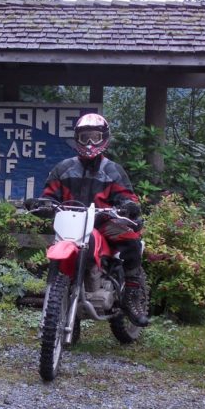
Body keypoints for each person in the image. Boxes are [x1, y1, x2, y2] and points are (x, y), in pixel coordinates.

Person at [39, 113, 150, 327]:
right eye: (84, 137)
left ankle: (131, 298)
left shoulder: (112, 170)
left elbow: (128, 197)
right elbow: (49, 195)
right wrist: (42, 204)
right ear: (77, 138)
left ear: (104, 139)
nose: (89, 142)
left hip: (104, 222)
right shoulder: (63, 168)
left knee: (131, 241)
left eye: (95, 137)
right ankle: (63, 309)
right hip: (72, 222)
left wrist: (126, 206)